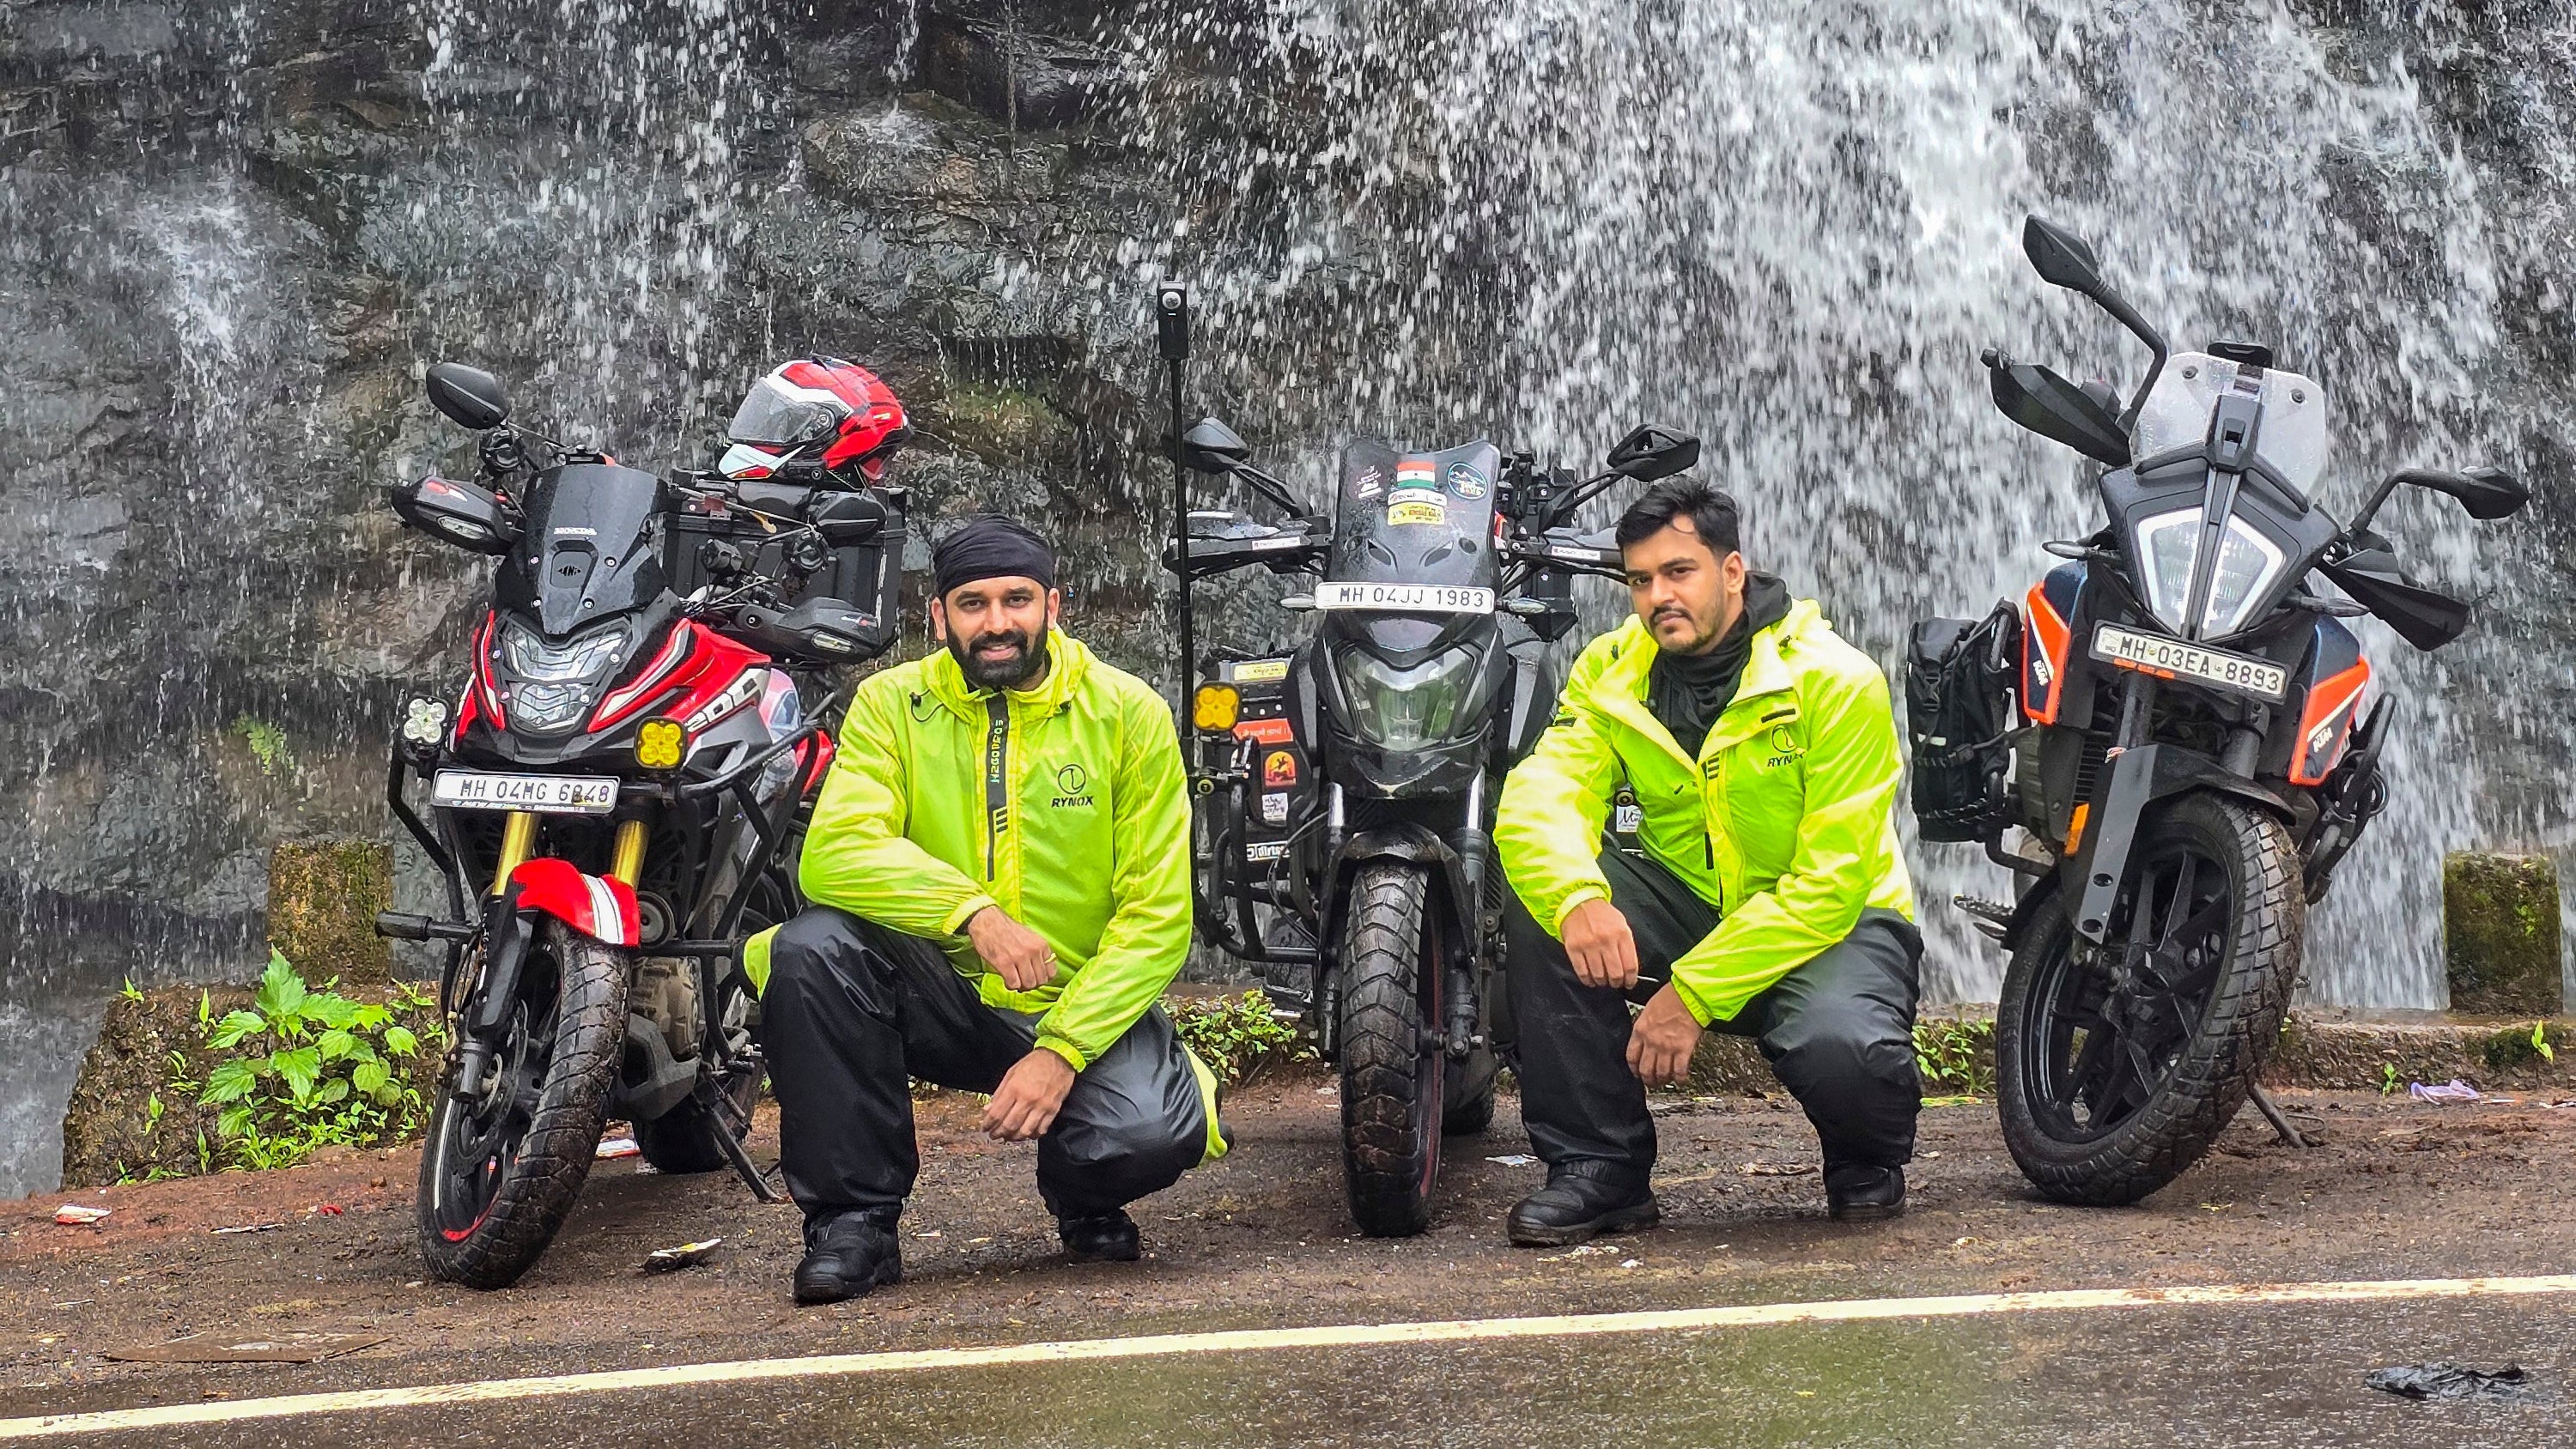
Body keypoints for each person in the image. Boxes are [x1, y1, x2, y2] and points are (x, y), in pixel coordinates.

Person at [743, 514, 1228, 1305]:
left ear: (1053, 606)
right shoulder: (889, 705)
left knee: (1144, 1135)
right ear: (937, 617)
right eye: (971, 603)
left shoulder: (1127, 713)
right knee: (812, 947)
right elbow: (832, 855)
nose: (996, 622)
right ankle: (853, 1223)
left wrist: (1063, 1051)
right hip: (931, 991)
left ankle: (1085, 1192)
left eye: (1016, 600)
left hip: (1074, 1000)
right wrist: (971, 913)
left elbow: (1158, 917)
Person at [1492, 476, 1921, 1245]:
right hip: (1690, 900)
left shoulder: (1837, 680)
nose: (1658, 596)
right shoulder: (1609, 672)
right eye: (1640, 580)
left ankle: (1866, 1157)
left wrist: (1689, 995)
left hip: (1834, 928)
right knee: (1542, 898)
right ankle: (1599, 1170)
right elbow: (1540, 796)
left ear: (1732, 571)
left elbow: (1827, 887)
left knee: (1842, 1048)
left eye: (1678, 572)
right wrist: (1578, 900)